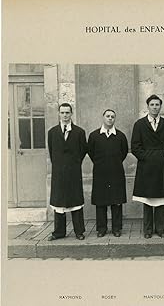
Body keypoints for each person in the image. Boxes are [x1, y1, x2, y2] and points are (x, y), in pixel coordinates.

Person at [131, 94, 164, 239]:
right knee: (148, 200)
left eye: (157, 105)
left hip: (161, 166)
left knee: (160, 200)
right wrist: (146, 158)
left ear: (160, 107)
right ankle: (148, 230)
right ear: (148, 106)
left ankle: (160, 229)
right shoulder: (139, 124)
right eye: (152, 105)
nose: (155, 107)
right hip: (146, 167)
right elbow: (135, 147)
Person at [48, 103, 87, 241]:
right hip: (58, 173)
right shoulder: (52, 132)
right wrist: (60, 166)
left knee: (75, 201)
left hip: (73, 173)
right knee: (59, 202)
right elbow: (52, 152)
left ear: (71, 114)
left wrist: (73, 164)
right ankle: (59, 232)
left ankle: (79, 231)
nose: (65, 115)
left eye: (67, 113)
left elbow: (83, 151)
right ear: (59, 114)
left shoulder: (79, 132)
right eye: (62, 113)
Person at [88, 109, 128, 237]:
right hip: (100, 173)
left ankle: (116, 228)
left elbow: (124, 152)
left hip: (116, 172)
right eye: (108, 116)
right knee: (101, 202)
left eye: (112, 117)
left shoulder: (120, 136)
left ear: (115, 119)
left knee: (116, 201)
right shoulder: (94, 136)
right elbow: (91, 153)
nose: (110, 118)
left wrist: (114, 163)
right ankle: (101, 229)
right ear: (103, 117)